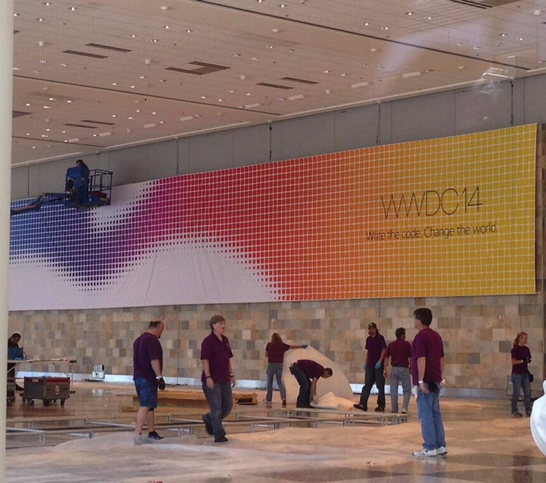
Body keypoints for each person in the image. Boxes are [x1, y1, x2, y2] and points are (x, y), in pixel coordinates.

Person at [411, 307, 447, 457]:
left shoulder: (420, 337)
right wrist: (439, 376)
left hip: (425, 381)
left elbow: (421, 359)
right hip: (435, 379)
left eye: (415, 318)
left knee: (425, 414)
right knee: (435, 413)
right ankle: (440, 445)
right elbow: (442, 359)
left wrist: (420, 380)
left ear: (419, 319)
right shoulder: (436, 336)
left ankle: (430, 447)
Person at [201, 315, 236, 443]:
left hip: (224, 378)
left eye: (223, 323)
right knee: (216, 407)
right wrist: (208, 377)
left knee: (227, 406)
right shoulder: (208, 341)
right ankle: (219, 434)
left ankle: (209, 419)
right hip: (213, 379)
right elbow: (205, 360)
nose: (223, 326)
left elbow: (227, 359)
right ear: (213, 325)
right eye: (220, 323)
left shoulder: (225, 340)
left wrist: (231, 374)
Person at [132, 320, 166, 445]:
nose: (161, 333)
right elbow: (154, 360)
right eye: (161, 330)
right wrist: (159, 377)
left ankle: (151, 431)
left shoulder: (138, 340)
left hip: (138, 377)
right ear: (157, 328)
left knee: (150, 406)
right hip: (148, 377)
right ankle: (137, 433)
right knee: (145, 405)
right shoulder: (152, 340)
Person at [265, 333, 307, 407]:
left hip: (271, 364)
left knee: (269, 382)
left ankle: (268, 399)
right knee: (279, 382)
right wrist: (301, 346)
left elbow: (266, 354)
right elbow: (292, 347)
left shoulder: (269, 345)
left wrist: (271, 354)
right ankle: (283, 398)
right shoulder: (282, 345)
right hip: (279, 365)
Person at [354, 322, 387, 412]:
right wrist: (366, 362)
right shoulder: (368, 339)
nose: (371, 330)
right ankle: (363, 403)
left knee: (380, 386)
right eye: (370, 329)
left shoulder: (380, 338)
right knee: (367, 385)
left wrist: (380, 361)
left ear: (376, 329)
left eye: (372, 329)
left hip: (378, 366)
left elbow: (384, 350)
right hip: (370, 365)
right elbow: (368, 351)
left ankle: (381, 405)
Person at [385, 327, 412, 414]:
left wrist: (385, 369)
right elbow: (411, 357)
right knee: (407, 390)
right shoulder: (407, 344)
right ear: (402, 335)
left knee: (393, 390)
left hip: (394, 369)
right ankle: (404, 408)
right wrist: (411, 367)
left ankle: (394, 409)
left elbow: (386, 357)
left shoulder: (391, 345)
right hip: (404, 368)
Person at [511, 331, 532, 418]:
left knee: (527, 392)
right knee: (516, 392)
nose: (526, 340)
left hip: (525, 373)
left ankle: (528, 410)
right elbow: (514, 362)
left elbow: (528, 358)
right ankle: (514, 410)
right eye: (525, 338)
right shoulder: (515, 349)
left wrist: (528, 360)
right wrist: (523, 361)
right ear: (520, 338)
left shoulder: (526, 349)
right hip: (517, 374)